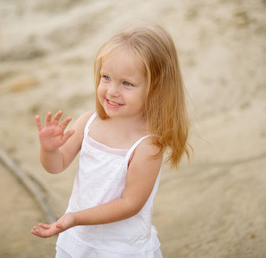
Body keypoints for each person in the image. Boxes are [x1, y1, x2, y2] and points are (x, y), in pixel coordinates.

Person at [31, 23, 191, 257]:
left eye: (126, 83)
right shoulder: (87, 122)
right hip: (78, 241)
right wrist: (49, 151)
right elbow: (57, 166)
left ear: (156, 89)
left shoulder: (147, 146)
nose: (112, 91)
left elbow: (130, 204)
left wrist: (76, 218)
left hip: (120, 248)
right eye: (106, 77)